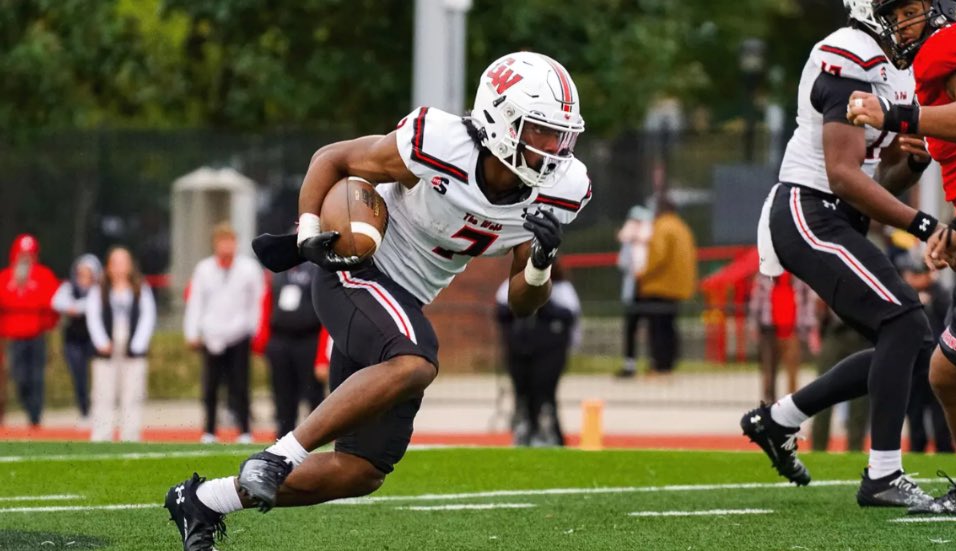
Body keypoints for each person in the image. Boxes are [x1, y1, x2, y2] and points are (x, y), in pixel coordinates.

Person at [165, 51, 590, 549]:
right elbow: (333, 159)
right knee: (415, 359)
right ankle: (278, 455)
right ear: (499, 118)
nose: (554, 148)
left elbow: (523, 303)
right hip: (354, 269)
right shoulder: (440, 142)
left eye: (561, 135)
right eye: (539, 131)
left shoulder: (561, 190)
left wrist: (540, 261)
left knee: (361, 470)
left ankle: (203, 501)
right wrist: (306, 231)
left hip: (398, 305)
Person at [741, 0, 956, 507]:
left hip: (836, 214)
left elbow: (879, 177)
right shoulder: (847, 55)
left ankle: (778, 420)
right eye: (906, 8)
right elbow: (842, 174)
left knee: (907, 339)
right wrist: (923, 222)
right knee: (905, 324)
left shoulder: (897, 73)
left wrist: (915, 162)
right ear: (873, 10)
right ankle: (883, 475)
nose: (919, 18)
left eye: (921, 7)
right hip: (807, 209)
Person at [847, 0, 956, 515]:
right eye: (893, 13)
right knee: (951, 373)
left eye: (909, 8)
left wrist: (901, 114)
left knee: (949, 373)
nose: (899, 23)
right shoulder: (940, 59)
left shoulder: (952, 44)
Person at [183, 223, 265, 444]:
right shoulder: (204, 269)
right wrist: (192, 331)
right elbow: (196, 302)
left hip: (239, 333)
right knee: (210, 386)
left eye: (230, 241)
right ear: (215, 244)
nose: (227, 246)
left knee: (240, 385)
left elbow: (257, 302)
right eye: (222, 241)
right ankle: (209, 430)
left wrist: (255, 330)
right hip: (212, 334)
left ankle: (244, 429)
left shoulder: (249, 268)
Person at [495, 260, 581, 446]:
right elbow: (502, 311)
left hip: (550, 350)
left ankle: (549, 433)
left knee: (544, 392)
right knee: (522, 392)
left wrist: (543, 304)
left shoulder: (562, 289)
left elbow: (570, 316)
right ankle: (525, 430)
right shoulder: (511, 286)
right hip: (520, 349)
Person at [86, 247, 156, 442]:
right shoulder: (99, 289)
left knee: (132, 393)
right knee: (103, 393)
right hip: (107, 347)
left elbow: (147, 316)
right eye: (115, 263)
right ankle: (102, 436)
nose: (119, 267)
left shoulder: (140, 287)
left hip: (132, 346)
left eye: (124, 262)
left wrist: (138, 343)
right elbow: (93, 317)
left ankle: (130, 436)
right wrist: (101, 341)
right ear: (108, 267)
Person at [252, 261, 326, 439]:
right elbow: (266, 305)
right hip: (281, 339)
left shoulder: (317, 271)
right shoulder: (277, 272)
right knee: (282, 393)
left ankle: (317, 436)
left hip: (308, 338)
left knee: (313, 393)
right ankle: (284, 437)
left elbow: (326, 313)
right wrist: (262, 342)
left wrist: (322, 357)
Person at [895, 247, 953, 455]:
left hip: (936, 360)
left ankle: (943, 449)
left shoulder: (941, 294)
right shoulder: (902, 294)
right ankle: (917, 449)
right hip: (912, 362)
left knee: (940, 414)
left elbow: (949, 323)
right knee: (914, 411)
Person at [0, 234, 60, 428]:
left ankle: (35, 417)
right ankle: (26, 405)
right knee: (18, 376)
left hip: (36, 335)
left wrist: (48, 325)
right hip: (14, 336)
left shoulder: (44, 275)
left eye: (30, 255)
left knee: (36, 377)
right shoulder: (6, 277)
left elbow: (53, 302)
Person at [632, 194, 696, 375]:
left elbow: (657, 257)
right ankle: (668, 363)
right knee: (669, 326)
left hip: (658, 286)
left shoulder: (661, 227)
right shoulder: (682, 227)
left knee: (657, 327)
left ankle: (659, 364)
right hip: (677, 287)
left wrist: (642, 274)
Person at [809, 296, 871, 452]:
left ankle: (855, 450)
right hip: (835, 329)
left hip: (861, 332)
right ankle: (817, 448)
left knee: (860, 397)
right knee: (823, 391)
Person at [748, 272, 817, 403]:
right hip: (769, 330)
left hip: (793, 330)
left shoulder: (799, 277)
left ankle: (790, 404)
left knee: (792, 371)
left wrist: (809, 326)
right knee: (769, 371)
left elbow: (808, 302)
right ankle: (769, 403)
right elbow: (755, 303)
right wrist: (754, 325)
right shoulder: (764, 277)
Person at [51, 254, 102, 424]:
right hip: (73, 339)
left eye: (87, 273)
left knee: (99, 376)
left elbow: (92, 304)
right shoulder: (68, 287)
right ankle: (84, 411)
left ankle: (100, 410)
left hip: (93, 339)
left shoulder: (99, 290)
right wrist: (72, 307)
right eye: (80, 273)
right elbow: (56, 302)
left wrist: (76, 307)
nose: (83, 277)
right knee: (79, 376)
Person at [615, 205, 653, 378]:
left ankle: (654, 363)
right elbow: (623, 263)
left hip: (648, 288)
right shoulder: (629, 242)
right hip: (634, 289)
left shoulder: (650, 240)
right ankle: (629, 364)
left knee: (652, 327)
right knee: (631, 327)